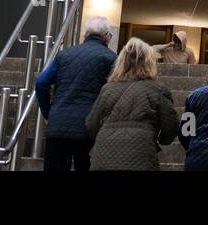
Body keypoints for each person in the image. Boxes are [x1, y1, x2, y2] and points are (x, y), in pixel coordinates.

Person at [34, 16, 116, 171]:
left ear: (85, 35)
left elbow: (41, 83)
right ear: (107, 36)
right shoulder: (111, 58)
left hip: (58, 124)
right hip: (90, 127)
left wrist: (49, 112)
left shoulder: (64, 54)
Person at [84, 37, 178, 170]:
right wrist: (160, 139)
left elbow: (91, 125)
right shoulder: (157, 89)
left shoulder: (107, 89)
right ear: (149, 62)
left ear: (121, 62)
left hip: (103, 155)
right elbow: (171, 126)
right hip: (141, 154)